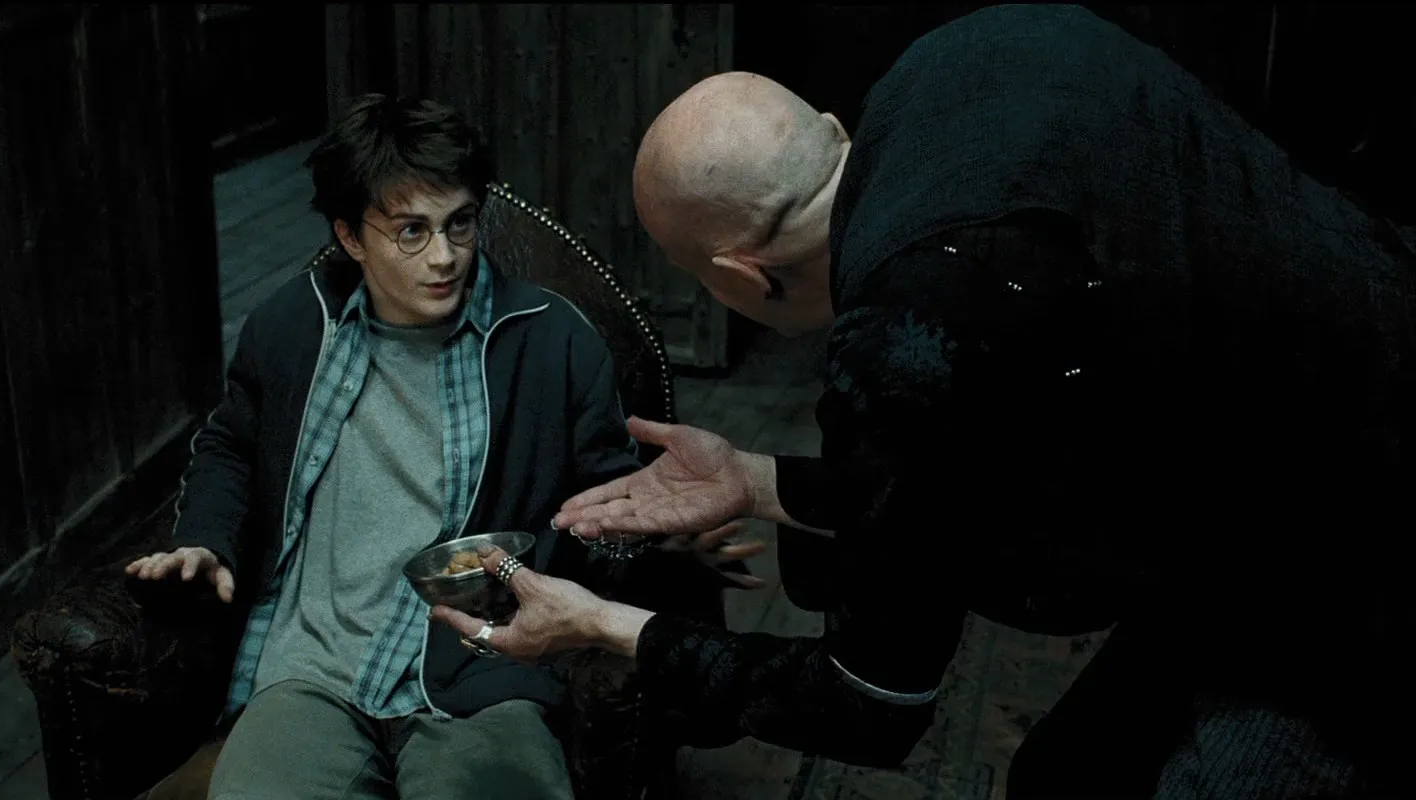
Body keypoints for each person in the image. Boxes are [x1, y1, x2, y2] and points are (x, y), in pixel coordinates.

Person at [432, 5, 1415, 799]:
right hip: (1310, 402)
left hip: (1345, 565)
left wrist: (598, 621)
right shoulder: (958, 59)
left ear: (738, 275)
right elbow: (963, 473)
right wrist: (758, 481)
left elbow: (871, 701)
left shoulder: (909, 326)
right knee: (1066, 777)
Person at [126, 94, 760, 800]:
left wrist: (663, 545)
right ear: (351, 236)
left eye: (459, 223)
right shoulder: (295, 326)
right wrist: (206, 536)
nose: (444, 256)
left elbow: (606, 500)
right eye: (411, 232)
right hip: (315, 669)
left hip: (484, 667)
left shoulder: (553, 340)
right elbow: (231, 444)